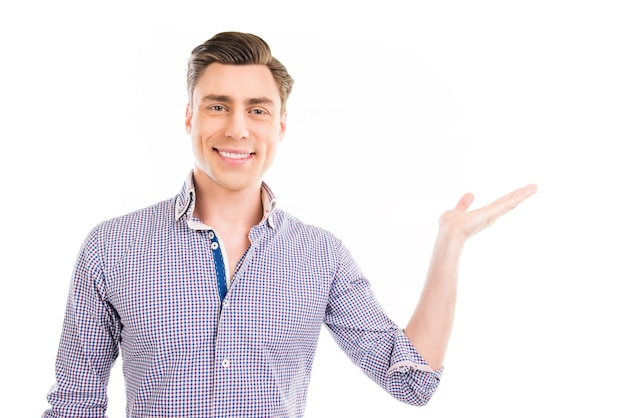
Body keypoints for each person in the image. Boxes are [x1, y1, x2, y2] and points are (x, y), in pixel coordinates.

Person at [42, 31, 537, 417]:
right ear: (189, 117)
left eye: (257, 110)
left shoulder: (319, 255)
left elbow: (412, 381)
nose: (237, 127)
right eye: (218, 106)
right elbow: (74, 407)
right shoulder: (113, 247)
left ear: (279, 126)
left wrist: (449, 245)